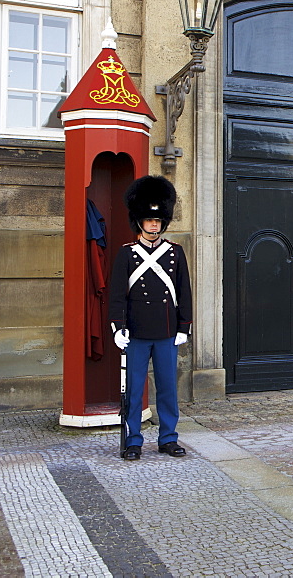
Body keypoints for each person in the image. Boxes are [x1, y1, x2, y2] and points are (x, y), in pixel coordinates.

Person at [108, 175, 193, 460]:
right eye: (149, 220)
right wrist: (118, 327)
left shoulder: (175, 253)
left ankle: (168, 437)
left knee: (168, 388)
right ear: (140, 223)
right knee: (134, 390)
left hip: (167, 331)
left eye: (158, 221)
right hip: (137, 332)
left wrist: (184, 326)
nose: (154, 224)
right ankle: (133, 439)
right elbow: (118, 294)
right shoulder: (127, 254)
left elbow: (184, 291)